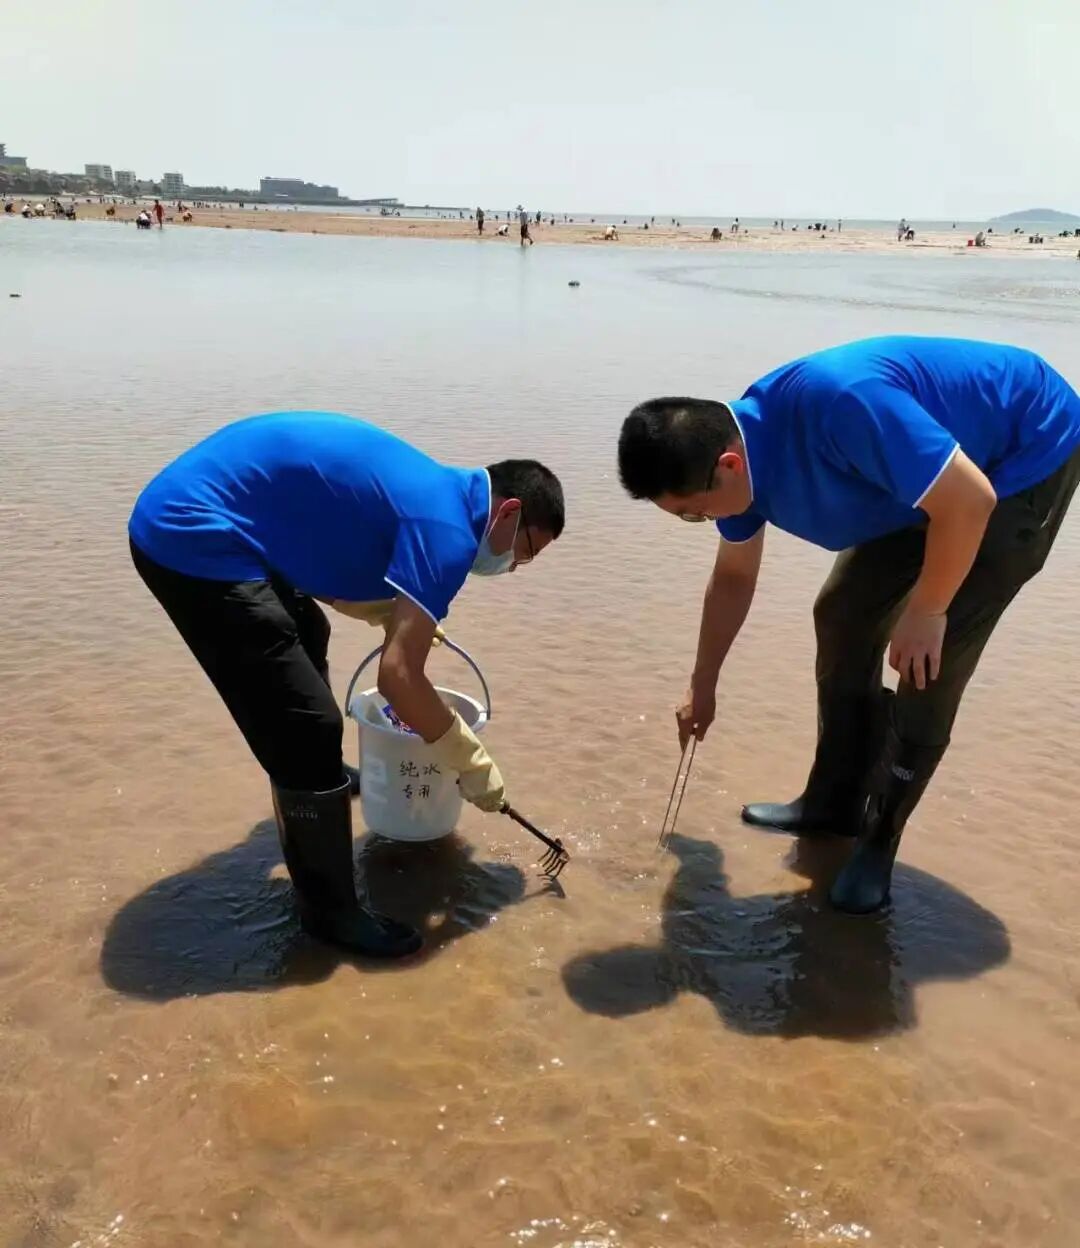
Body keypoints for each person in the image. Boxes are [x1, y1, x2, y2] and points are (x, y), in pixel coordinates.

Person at [617, 337, 1080, 914]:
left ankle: (879, 839)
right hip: (930, 474)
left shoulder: (844, 405)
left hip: (1021, 457)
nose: (698, 520)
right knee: (842, 613)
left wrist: (928, 610)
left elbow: (968, 500)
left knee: (926, 662)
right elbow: (734, 578)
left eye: (692, 513)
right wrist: (702, 683)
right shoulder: (736, 464)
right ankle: (834, 803)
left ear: (728, 466)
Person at [129, 412, 565, 957]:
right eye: (524, 550)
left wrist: (388, 614)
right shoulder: (450, 531)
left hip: (228, 514)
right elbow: (398, 677)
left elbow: (330, 557)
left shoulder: (443, 495)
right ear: (509, 510)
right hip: (188, 530)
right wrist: (469, 759)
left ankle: (320, 781)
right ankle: (329, 913)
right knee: (309, 726)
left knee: (307, 631)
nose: (514, 566)